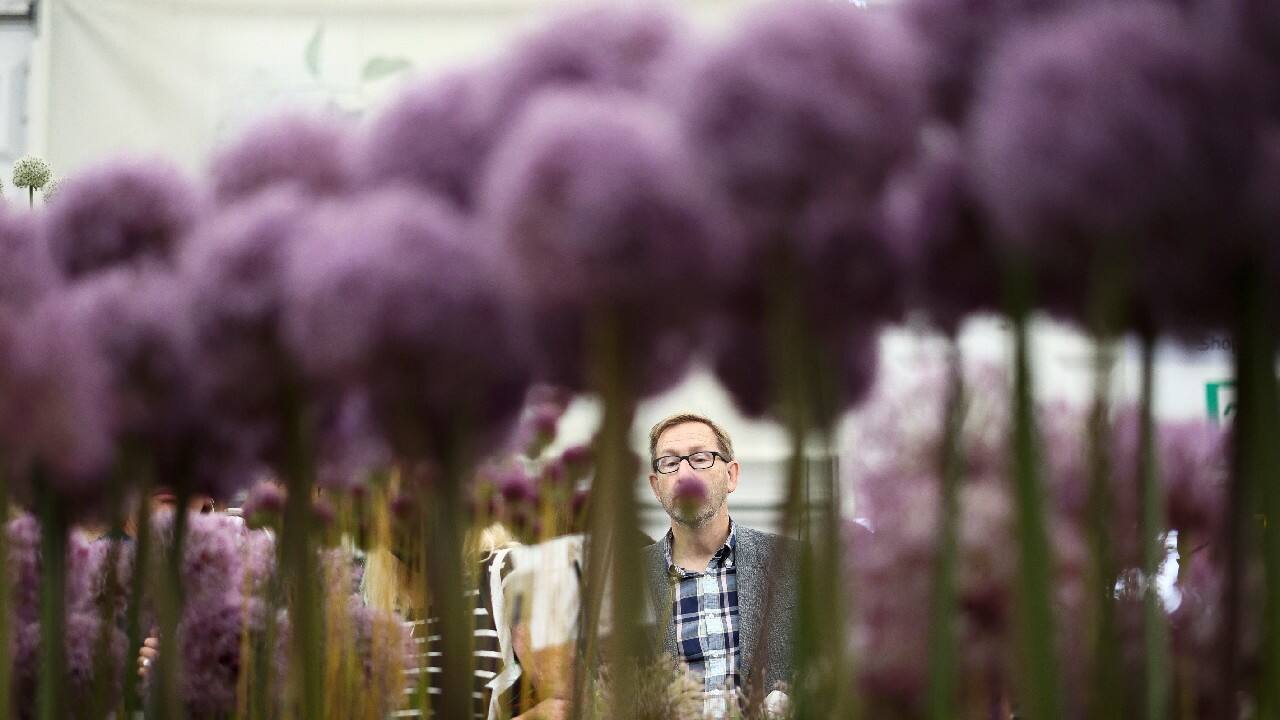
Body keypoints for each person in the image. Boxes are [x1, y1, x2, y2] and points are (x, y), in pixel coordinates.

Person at [642, 413, 798, 715]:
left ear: (731, 475)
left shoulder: (794, 563)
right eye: (670, 463)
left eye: (701, 458)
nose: (684, 473)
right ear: (655, 486)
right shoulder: (626, 577)